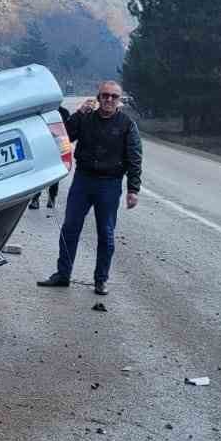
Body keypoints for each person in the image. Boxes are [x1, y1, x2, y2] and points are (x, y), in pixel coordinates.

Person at [37, 82, 141, 296]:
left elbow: (134, 158)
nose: (109, 100)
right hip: (83, 181)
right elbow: (64, 137)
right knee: (70, 229)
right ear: (98, 97)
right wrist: (77, 114)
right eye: (105, 95)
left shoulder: (126, 124)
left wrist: (133, 189)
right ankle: (63, 274)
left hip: (110, 185)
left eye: (114, 96)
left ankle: (100, 281)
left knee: (106, 234)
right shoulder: (85, 119)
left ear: (119, 100)